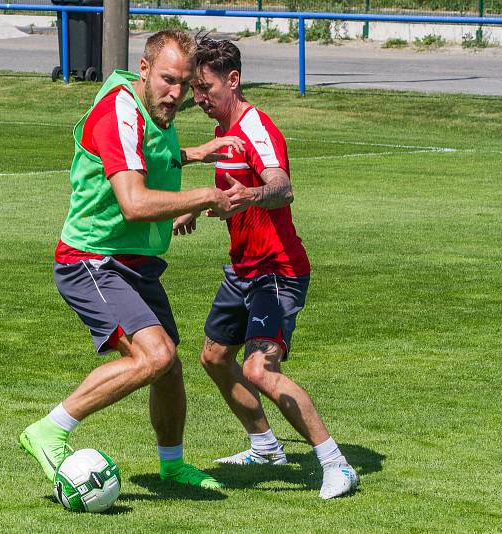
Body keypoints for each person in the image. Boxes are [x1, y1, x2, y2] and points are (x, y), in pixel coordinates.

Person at [19, 30, 246, 491]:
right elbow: (134, 203)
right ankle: (50, 429)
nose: (176, 93)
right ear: (144, 69)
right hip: (92, 259)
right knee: (154, 354)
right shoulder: (119, 108)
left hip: (134, 262)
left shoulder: (153, 110)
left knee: (170, 366)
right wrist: (206, 195)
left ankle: (173, 465)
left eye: (186, 84)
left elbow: (149, 155)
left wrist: (194, 154)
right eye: (167, 80)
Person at [174, 37, 359, 499]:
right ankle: (266, 446)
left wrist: (251, 195)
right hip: (243, 269)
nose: (198, 98)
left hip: (277, 271)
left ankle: (336, 463)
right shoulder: (226, 135)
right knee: (215, 358)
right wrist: (196, 208)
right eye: (194, 89)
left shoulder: (256, 128)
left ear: (233, 80)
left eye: (205, 87)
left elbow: (281, 186)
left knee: (259, 367)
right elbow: (229, 188)